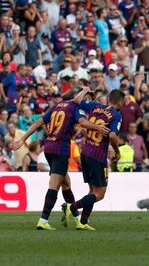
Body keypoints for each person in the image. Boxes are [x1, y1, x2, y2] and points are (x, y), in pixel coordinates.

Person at [11, 88, 110, 230]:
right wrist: (97, 127)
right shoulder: (76, 107)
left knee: (66, 184)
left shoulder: (59, 106)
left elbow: (40, 121)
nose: (88, 102)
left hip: (49, 148)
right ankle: (43, 221)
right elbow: (82, 122)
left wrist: (22, 138)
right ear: (79, 96)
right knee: (54, 185)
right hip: (60, 150)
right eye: (87, 98)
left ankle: (78, 220)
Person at [62, 89, 124, 230]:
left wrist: (84, 90)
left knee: (92, 191)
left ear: (109, 99)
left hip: (85, 152)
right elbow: (113, 136)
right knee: (100, 193)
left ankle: (83, 222)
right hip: (97, 156)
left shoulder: (95, 106)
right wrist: (117, 151)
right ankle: (72, 207)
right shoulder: (116, 115)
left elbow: (76, 99)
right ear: (120, 103)